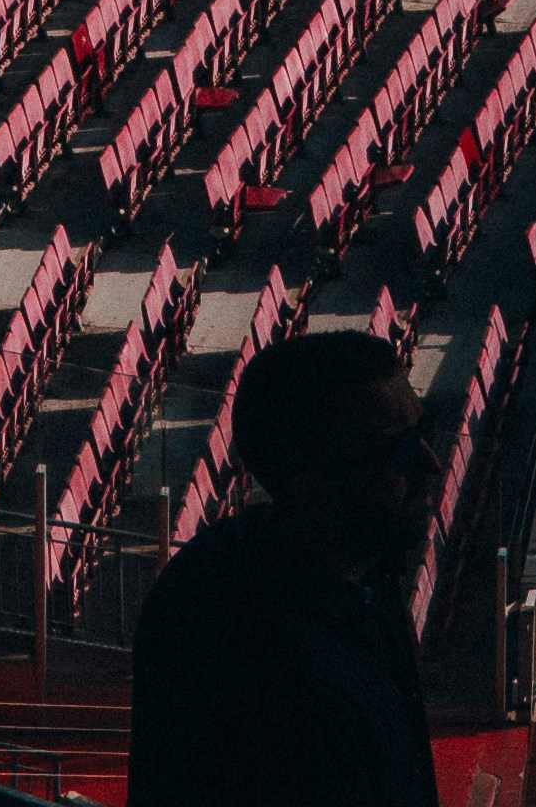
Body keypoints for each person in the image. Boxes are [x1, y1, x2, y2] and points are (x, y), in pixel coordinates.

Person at [128, 331, 442, 807]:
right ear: (313, 480)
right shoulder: (246, 660)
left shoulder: (365, 581)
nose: (430, 464)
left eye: (423, 434)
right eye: (398, 449)